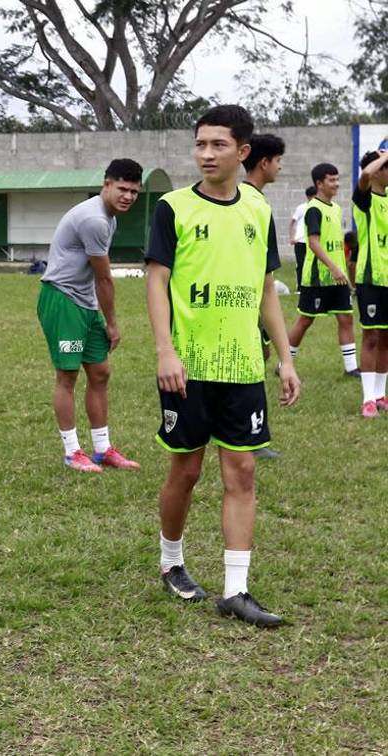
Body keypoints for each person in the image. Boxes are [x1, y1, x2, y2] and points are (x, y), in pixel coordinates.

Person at [145, 104, 300, 628]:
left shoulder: (258, 210)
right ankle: (171, 563)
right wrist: (166, 351)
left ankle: (236, 589)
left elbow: (265, 291)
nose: (206, 154)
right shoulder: (172, 207)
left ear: (243, 151)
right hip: (188, 367)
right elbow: (156, 282)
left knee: (243, 470)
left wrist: (285, 358)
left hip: (241, 369)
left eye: (217, 145)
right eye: (200, 144)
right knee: (185, 469)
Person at [36, 159, 144, 473]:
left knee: (100, 373)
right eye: (122, 189)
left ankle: (102, 449)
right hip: (62, 300)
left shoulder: (110, 219)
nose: (128, 196)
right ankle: (72, 452)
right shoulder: (94, 219)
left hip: (85, 303)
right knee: (67, 376)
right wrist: (112, 323)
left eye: (134, 192)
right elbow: (104, 278)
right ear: (106, 184)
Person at [240, 132, 287, 460]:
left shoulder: (255, 200)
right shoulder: (249, 203)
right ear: (263, 162)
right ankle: (251, 439)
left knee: (256, 361)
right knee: (249, 366)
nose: (280, 168)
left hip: (249, 303)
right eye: (278, 161)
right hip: (237, 304)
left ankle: (250, 436)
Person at [287, 163, 357, 377]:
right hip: (318, 278)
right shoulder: (313, 209)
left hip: (338, 277)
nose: (336, 184)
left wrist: (342, 270)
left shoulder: (335, 208)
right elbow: (314, 243)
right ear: (319, 183)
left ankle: (351, 368)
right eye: (331, 180)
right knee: (306, 320)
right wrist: (333, 267)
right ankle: (285, 364)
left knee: (346, 318)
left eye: (337, 180)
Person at [352, 149, 388, 416]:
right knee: (371, 337)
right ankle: (367, 399)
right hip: (369, 278)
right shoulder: (364, 199)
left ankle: (380, 395)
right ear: (378, 170)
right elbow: (364, 173)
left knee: (386, 338)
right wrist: (382, 156)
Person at [288, 186, 317, 289]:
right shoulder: (301, 208)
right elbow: (292, 222)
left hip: (312, 241)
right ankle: (300, 287)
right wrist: (292, 237)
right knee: (300, 264)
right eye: (312, 197)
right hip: (300, 241)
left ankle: (311, 284)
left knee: (313, 264)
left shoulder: (318, 207)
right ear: (308, 197)